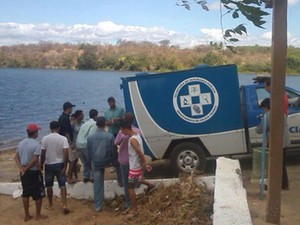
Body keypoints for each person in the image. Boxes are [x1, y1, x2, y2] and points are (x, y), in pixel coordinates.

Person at [119, 119, 156, 219]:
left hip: (134, 166)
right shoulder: (137, 135)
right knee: (139, 179)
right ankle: (150, 185)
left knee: (130, 188)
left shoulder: (132, 140)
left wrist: (145, 163)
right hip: (137, 165)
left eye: (121, 130)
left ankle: (134, 210)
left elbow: (139, 152)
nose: (121, 132)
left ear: (124, 129)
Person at [14, 124, 47, 222]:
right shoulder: (36, 144)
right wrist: (27, 168)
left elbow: (16, 157)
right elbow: (35, 159)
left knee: (26, 193)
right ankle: (38, 215)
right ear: (35, 133)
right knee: (38, 193)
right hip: (33, 172)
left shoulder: (21, 143)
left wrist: (21, 167)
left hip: (23, 172)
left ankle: (27, 214)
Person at [256, 98, 289, 190]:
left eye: (263, 108)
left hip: (275, 143)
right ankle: (284, 184)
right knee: (282, 164)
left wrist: (256, 128)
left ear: (266, 107)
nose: (263, 110)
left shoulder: (268, 115)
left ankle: (273, 185)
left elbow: (260, 129)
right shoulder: (281, 113)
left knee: (273, 165)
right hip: (285, 141)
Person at [86, 116, 116, 212]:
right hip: (107, 161)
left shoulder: (90, 137)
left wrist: (89, 164)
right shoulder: (110, 136)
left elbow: (89, 152)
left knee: (97, 184)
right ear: (104, 124)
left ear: (96, 124)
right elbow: (113, 150)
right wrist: (114, 161)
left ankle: (98, 206)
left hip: (95, 162)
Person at [40, 121, 70, 214]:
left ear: (50, 128)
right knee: (62, 185)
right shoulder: (63, 139)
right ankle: (64, 204)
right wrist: (65, 165)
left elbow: (43, 153)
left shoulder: (45, 138)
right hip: (59, 163)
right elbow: (65, 152)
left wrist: (41, 164)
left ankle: (50, 204)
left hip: (49, 164)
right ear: (59, 128)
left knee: (49, 185)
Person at [114, 112, 141, 210]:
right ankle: (134, 200)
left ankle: (129, 203)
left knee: (126, 183)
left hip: (124, 160)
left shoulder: (122, 132)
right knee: (134, 181)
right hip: (134, 160)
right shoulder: (137, 131)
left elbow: (116, 142)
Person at [76, 109, 98, 183]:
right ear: (96, 116)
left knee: (85, 162)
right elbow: (91, 136)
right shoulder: (94, 124)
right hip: (85, 144)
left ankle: (86, 176)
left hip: (78, 144)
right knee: (91, 161)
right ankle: (92, 177)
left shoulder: (85, 123)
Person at [104, 96, 124, 179]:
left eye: (112, 102)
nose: (111, 103)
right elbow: (105, 122)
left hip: (119, 131)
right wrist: (110, 122)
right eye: (110, 102)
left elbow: (124, 119)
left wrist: (118, 119)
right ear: (108, 103)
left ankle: (123, 162)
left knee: (123, 147)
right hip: (111, 132)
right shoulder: (106, 112)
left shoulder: (120, 109)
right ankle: (115, 165)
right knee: (113, 149)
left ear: (114, 102)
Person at [58, 101, 76, 184]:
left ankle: (66, 175)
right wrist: (70, 143)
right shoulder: (65, 118)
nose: (72, 109)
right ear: (68, 108)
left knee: (66, 159)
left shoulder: (62, 117)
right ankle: (69, 176)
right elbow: (66, 132)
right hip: (66, 141)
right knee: (73, 160)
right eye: (71, 108)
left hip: (61, 141)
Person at [69, 110, 84, 183]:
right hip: (75, 144)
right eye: (82, 114)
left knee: (81, 159)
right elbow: (70, 134)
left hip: (82, 143)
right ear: (78, 116)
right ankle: (73, 175)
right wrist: (71, 143)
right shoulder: (73, 125)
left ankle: (78, 175)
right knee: (74, 160)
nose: (83, 115)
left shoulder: (83, 123)